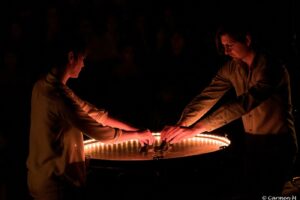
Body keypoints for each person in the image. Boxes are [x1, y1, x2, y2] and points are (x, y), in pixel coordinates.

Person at [160, 22, 298, 199]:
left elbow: (243, 104)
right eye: (224, 47)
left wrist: (196, 128)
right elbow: (207, 97)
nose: (226, 52)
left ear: (247, 40)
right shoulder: (232, 68)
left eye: (230, 46)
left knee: (271, 195)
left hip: (278, 144)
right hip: (251, 143)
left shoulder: (271, 67)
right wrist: (182, 124)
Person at [26, 32, 154, 200]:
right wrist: (136, 135)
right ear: (71, 57)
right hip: (55, 185)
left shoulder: (42, 85)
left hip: (39, 178)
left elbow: (95, 114)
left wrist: (135, 130)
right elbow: (100, 132)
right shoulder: (58, 97)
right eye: (83, 59)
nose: (84, 65)